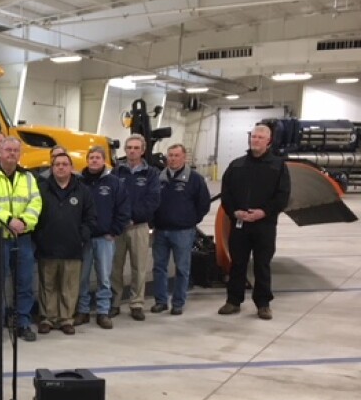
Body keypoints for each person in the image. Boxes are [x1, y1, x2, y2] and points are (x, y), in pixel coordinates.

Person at [218, 124, 291, 320]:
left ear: (269, 141)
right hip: (240, 225)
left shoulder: (278, 166)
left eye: (260, 137)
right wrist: (235, 212)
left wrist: (263, 212)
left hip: (264, 226)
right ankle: (233, 300)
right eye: (253, 137)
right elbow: (226, 194)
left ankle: (263, 304)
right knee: (237, 264)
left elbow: (282, 197)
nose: (255, 140)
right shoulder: (237, 165)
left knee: (262, 264)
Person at [0, 137, 42, 342]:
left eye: (16, 151)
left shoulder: (28, 178)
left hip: (22, 237)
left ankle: (23, 323)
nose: (12, 154)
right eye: (8, 150)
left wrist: (23, 222)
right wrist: (8, 221)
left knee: (24, 283)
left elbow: (36, 203)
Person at [34, 152, 96, 336]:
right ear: (51, 168)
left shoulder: (82, 191)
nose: (60, 167)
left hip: (72, 247)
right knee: (47, 285)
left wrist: (81, 236)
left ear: (71, 168)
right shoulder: (41, 189)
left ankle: (66, 319)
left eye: (64, 164)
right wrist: (40, 237)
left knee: (69, 286)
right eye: (57, 164)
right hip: (47, 247)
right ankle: (47, 318)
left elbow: (90, 218)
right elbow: (34, 215)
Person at [151, 143, 211, 315]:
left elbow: (203, 204)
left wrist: (191, 220)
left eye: (177, 155)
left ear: (184, 157)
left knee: (182, 269)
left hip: (183, 232)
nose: (173, 158)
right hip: (161, 231)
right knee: (159, 268)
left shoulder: (195, 179)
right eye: (170, 155)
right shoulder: (159, 178)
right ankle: (161, 301)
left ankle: (178, 303)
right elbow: (152, 201)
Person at [75, 146, 130, 330]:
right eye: (91, 157)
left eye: (98, 157)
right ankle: (82, 311)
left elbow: (123, 209)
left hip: (105, 238)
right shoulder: (78, 182)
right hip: (84, 239)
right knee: (82, 278)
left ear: (104, 160)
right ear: (87, 159)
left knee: (104, 278)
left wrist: (114, 230)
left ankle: (103, 312)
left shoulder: (114, 182)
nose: (94, 161)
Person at [110, 134, 161, 321]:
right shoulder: (117, 172)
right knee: (115, 267)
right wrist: (120, 220)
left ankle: (137, 303)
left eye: (136, 148)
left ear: (143, 150)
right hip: (118, 227)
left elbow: (153, 200)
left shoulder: (151, 173)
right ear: (125, 150)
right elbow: (111, 199)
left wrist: (133, 218)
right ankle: (114, 303)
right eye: (129, 147)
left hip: (139, 226)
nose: (132, 151)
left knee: (139, 268)